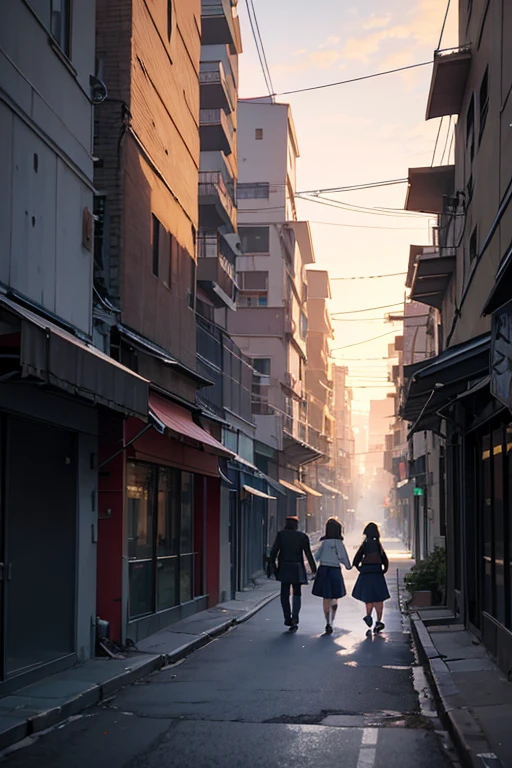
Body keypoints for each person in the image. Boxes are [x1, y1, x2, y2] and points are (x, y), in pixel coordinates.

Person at [270, 516, 317, 631]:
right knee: (297, 593)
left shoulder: (281, 535)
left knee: (284, 594)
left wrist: (274, 568)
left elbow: (274, 553)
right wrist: (314, 570)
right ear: (296, 525)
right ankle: (295, 617)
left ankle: (287, 617)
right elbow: (308, 554)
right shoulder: (302, 536)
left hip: (284, 567)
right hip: (297, 568)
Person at [312, 517, 352, 634]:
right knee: (335, 596)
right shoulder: (338, 543)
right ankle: (332, 619)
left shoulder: (324, 543)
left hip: (323, 570)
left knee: (326, 597)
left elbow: (316, 556)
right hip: (335, 570)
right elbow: (343, 557)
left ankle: (327, 622)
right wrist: (348, 566)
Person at [352, 521, 390, 633]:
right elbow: (384, 559)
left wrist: (361, 569)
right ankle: (379, 621)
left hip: (366, 573)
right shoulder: (378, 544)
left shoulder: (365, 544)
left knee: (368, 598)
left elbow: (356, 560)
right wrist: (383, 570)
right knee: (379, 598)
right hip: (377, 573)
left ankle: (368, 616)